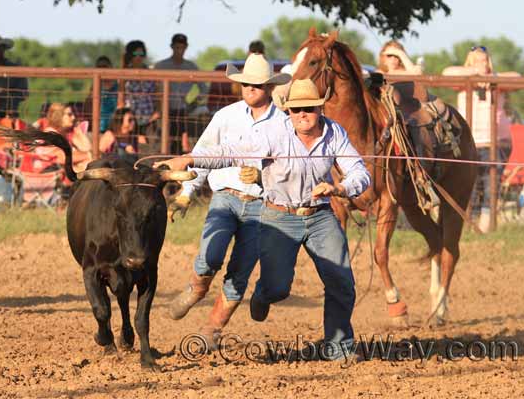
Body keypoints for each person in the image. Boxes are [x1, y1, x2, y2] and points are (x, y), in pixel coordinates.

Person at [159, 79, 371, 359]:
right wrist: (190, 159)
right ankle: (263, 294)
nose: (302, 114)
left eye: (308, 108)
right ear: (289, 111)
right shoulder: (274, 132)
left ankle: (338, 347)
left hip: (320, 215)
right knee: (277, 287)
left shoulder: (335, 133)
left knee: (341, 282)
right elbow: (232, 152)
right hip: (279, 215)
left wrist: (340, 188)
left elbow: (359, 172)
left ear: (319, 108)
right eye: (296, 110)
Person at [166, 53, 290, 349]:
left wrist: (263, 177)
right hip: (224, 197)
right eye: (246, 83)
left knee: (241, 271)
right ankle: (197, 289)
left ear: (270, 87)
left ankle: (212, 329)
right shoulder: (226, 116)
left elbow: (289, 171)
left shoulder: (284, 125)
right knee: (210, 255)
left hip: (261, 205)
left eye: (257, 85)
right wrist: (187, 192)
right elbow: (204, 153)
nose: (251, 89)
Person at [442, 46, 520, 231]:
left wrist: (492, 78)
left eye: (484, 60)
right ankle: (469, 228)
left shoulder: (497, 83)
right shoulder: (462, 81)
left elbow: (517, 77)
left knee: (490, 188)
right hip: (469, 143)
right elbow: (447, 72)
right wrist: (474, 74)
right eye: (476, 60)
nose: (481, 64)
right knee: (468, 187)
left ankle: (485, 231)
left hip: (495, 143)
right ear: (469, 63)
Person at [154, 34, 208, 154]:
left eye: (182, 47)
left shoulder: (191, 67)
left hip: (181, 110)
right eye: (177, 47)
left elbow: (204, 89)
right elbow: (153, 88)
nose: (179, 50)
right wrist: (157, 106)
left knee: (178, 142)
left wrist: (192, 103)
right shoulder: (161, 66)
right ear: (172, 47)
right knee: (161, 141)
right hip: (163, 110)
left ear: (186, 47)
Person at [36, 103, 92, 175]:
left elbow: (87, 148)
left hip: (57, 170)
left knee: (88, 163)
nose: (73, 117)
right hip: (49, 172)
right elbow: (62, 158)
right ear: (58, 116)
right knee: (88, 163)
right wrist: (88, 155)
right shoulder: (52, 135)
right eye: (69, 114)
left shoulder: (63, 134)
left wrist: (79, 133)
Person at [120, 40, 159, 135]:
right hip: (131, 121)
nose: (138, 57)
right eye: (135, 53)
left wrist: (157, 113)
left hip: (150, 120)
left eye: (141, 53)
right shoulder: (123, 74)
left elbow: (158, 96)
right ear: (130, 55)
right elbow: (121, 99)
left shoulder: (152, 73)